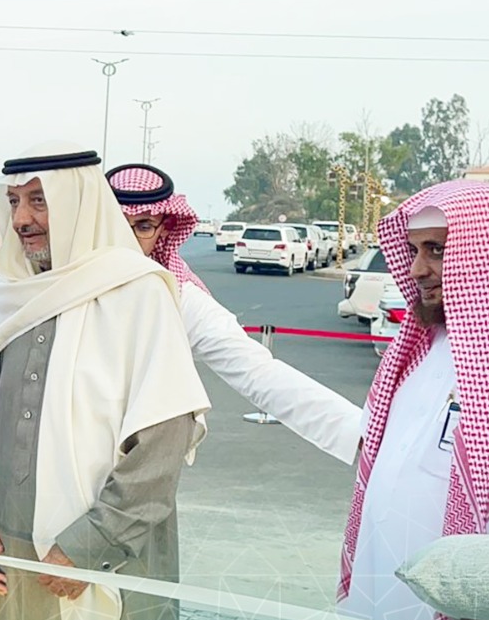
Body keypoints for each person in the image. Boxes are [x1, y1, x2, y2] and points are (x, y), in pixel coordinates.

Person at [0, 144, 209, 620]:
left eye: (39, 201)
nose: (22, 219)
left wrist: (89, 546)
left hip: (107, 562)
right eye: (15, 202)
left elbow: (165, 437)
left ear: (77, 202)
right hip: (16, 560)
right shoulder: (14, 293)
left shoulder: (139, 293)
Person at [324, 180, 489, 620]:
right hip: (379, 606)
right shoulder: (419, 352)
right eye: (414, 250)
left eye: (438, 250)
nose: (418, 269)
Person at [107, 163, 363, 462]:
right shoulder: (64, 279)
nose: (127, 238)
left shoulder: (177, 296)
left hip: (129, 460)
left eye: (143, 226)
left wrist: (359, 432)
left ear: (164, 229)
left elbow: (257, 371)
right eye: (116, 223)